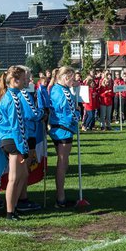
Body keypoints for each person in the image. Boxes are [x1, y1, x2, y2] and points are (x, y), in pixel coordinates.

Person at [0, 65, 31, 221]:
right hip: (12, 139)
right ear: (15, 80)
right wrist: (23, 148)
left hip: (10, 138)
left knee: (22, 174)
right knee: (14, 177)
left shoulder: (11, 95)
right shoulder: (13, 98)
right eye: (23, 79)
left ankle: (14, 207)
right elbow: (17, 126)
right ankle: (10, 212)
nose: (26, 82)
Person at [47, 65, 80, 208]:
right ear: (66, 77)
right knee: (62, 163)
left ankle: (61, 196)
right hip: (62, 129)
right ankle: (60, 198)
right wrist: (77, 115)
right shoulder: (59, 91)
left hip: (63, 129)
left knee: (64, 163)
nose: (74, 81)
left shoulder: (62, 89)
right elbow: (65, 113)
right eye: (72, 78)